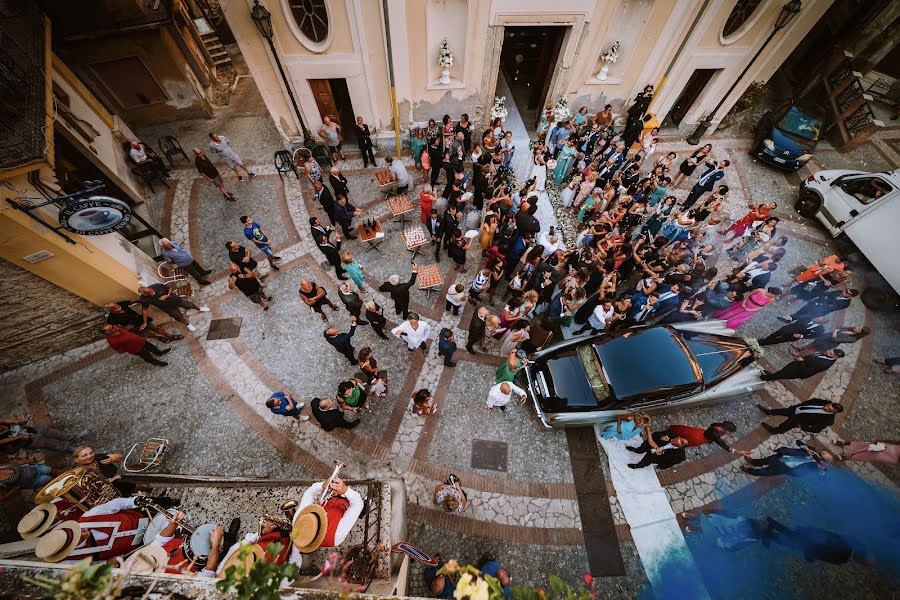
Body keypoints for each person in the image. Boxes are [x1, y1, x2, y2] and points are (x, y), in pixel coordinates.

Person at [294, 476, 364, 549]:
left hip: (330, 501)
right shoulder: (337, 535)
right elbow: (358, 504)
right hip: (344, 506)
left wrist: (323, 485)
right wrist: (345, 490)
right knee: (358, 505)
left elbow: (310, 493)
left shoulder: (299, 521)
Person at [103, 301, 179, 343]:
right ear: (111, 309)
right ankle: (158, 337)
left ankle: (170, 336)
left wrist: (142, 300)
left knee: (154, 327)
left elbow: (131, 302)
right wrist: (125, 328)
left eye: (117, 305)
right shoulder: (112, 317)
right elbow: (114, 326)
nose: (118, 307)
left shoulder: (121, 304)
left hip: (140, 319)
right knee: (145, 333)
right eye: (115, 307)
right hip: (133, 327)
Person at [741, 443, 833, 477]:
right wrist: (805, 448)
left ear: (824, 461)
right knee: (765, 460)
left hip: (785, 468)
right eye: (820, 453)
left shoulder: (819, 468)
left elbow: (822, 477)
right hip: (783, 457)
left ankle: (749, 470)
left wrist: (820, 468)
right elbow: (799, 442)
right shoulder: (812, 451)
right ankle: (754, 462)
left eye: (821, 457)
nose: (818, 455)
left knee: (765, 472)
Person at [0, 418, 85, 454]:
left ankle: (75, 437)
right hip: (32, 441)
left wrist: (20, 421)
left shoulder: (2, 422)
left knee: (57, 433)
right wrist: (19, 438)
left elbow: (10, 420)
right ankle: (72, 450)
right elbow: (11, 450)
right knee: (54, 445)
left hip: (35, 430)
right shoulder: (2, 439)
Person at [756, 399, 843, 434]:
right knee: (782, 411)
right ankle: (769, 412)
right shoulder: (826, 402)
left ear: (835, 412)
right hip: (798, 409)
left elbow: (816, 429)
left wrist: (802, 427)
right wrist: (800, 405)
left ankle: (774, 431)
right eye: (828, 406)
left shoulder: (829, 420)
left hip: (798, 420)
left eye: (829, 410)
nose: (826, 408)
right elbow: (813, 400)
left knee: (785, 426)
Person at [713, 287, 780, 330]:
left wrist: (750, 310)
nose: (775, 297)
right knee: (730, 312)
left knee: (737, 319)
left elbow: (762, 307)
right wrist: (743, 302)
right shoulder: (759, 290)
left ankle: (724, 325)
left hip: (751, 310)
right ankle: (719, 318)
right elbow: (748, 294)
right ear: (772, 293)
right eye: (775, 295)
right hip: (744, 303)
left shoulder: (771, 299)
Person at [102, 323, 169, 366]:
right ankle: (157, 363)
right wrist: (129, 348)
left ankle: (160, 353)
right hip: (136, 349)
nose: (115, 326)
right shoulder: (112, 341)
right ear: (108, 332)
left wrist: (127, 329)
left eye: (112, 325)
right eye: (112, 327)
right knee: (147, 356)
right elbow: (120, 351)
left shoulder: (118, 328)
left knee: (152, 347)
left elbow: (126, 330)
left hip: (141, 341)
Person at [666, 422, 749, 455]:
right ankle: (670, 443)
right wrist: (737, 451)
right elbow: (721, 443)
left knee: (684, 431)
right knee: (684, 441)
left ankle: (672, 434)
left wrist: (724, 439)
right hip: (698, 438)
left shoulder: (720, 427)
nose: (731, 435)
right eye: (730, 433)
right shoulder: (715, 433)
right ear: (727, 430)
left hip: (700, 432)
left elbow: (718, 438)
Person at [761, 349, 844, 381]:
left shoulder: (825, 364)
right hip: (797, 364)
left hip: (798, 370)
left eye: (830, 353)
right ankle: (775, 376)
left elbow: (809, 370)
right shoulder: (827, 355)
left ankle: (767, 378)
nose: (827, 351)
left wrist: (801, 361)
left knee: (784, 374)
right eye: (830, 351)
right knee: (783, 372)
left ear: (835, 357)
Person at [792, 326, 870, 358]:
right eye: (859, 326)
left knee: (814, 349)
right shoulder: (850, 329)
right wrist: (836, 331)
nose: (857, 327)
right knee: (813, 343)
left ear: (860, 332)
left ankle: (799, 354)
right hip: (826, 337)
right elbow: (840, 327)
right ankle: (801, 349)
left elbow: (835, 339)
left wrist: (835, 331)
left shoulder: (852, 339)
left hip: (829, 343)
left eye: (859, 328)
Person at [758, 316, 826, 346]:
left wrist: (801, 336)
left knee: (779, 340)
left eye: (819, 319)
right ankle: (765, 341)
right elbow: (799, 316)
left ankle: (762, 343)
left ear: (821, 323)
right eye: (818, 317)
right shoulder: (810, 317)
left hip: (795, 336)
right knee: (777, 333)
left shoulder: (820, 330)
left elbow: (813, 336)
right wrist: (791, 317)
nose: (816, 318)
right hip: (790, 328)